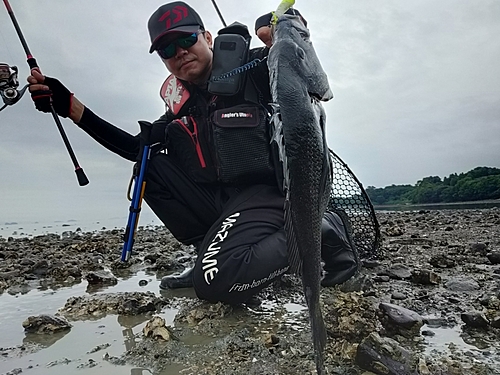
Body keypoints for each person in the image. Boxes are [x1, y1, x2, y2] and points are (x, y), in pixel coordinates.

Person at [27, 2, 359, 305]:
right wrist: (69, 106)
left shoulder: (257, 64)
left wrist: (287, 34)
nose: (179, 52)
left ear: (208, 37)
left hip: (272, 194)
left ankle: (320, 228)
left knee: (215, 285)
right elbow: (133, 148)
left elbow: (315, 85)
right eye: (167, 49)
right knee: (150, 166)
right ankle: (207, 251)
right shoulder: (180, 105)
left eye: (186, 40)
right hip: (227, 203)